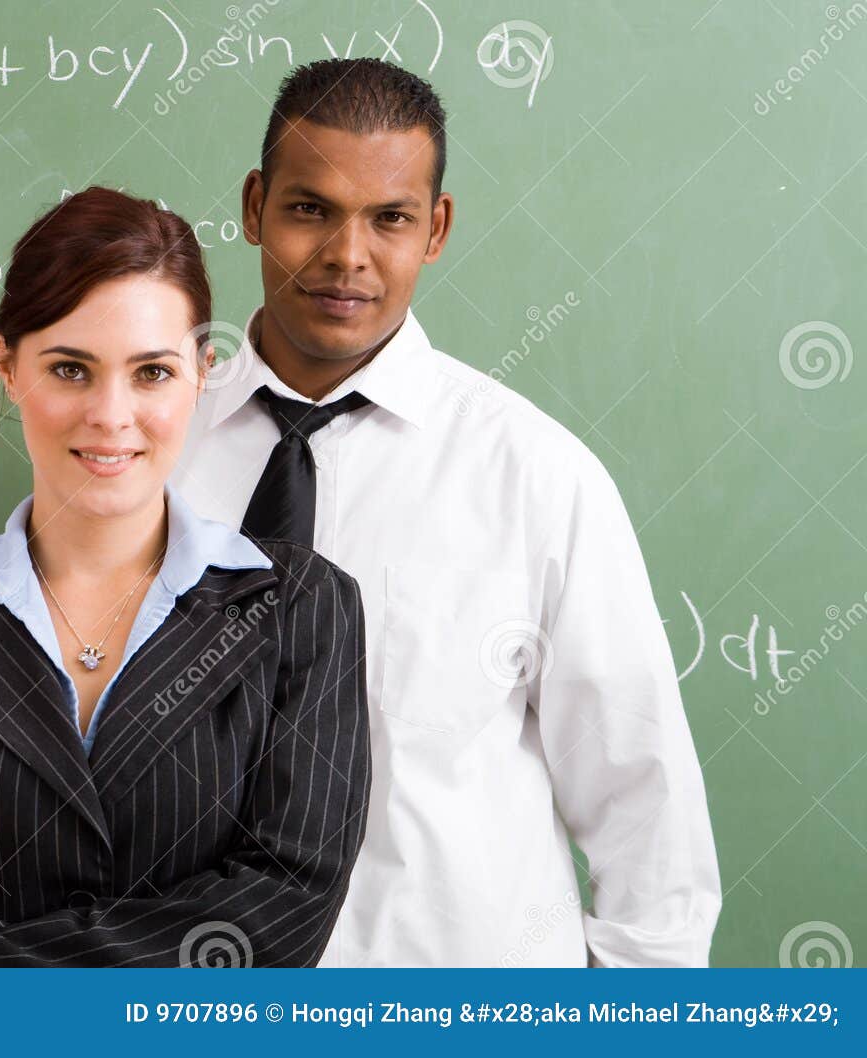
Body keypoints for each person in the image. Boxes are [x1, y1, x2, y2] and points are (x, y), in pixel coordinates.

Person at [174, 58, 720, 966]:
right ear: (253, 206)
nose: (347, 255)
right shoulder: (151, 451)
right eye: (311, 208)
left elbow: (644, 803)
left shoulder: (536, 476)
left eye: (389, 218)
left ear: (437, 227)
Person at [0, 187, 370, 968]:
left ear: (202, 373)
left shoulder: (299, 606)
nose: (112, 415)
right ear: (9, 367)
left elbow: (280, 918)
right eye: (71, 369)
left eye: (151, 373)